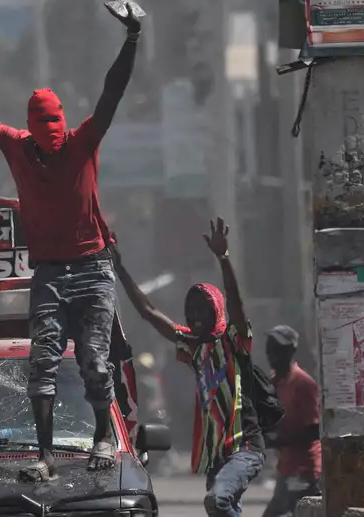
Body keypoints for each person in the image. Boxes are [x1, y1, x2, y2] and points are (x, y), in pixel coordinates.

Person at [0, 0, 140, 481]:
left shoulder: (81, 142)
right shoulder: (17, 146)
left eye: (55, 137)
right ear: (32, 133)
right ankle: (44, 457)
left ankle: (103, 435)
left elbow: (111, 93)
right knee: (41, 363)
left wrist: (132, 39)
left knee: (95, 364)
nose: (50, 146)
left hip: (92, 268)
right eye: (43, 139)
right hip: (49, 272)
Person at [111, 219, 265, 517]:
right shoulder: (193, 346)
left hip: (244, 448)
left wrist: (223, 259)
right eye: (191, 309)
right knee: (224, 507)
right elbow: (148, 312)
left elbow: (236, 303)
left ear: (216, 310)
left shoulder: (234, 340)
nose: (195, 315)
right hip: (218, 455)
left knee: (216, 502)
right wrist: (119, 268)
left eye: (202, 309)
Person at [262, 326, 321, 517]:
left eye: (278, 349)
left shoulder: (304, 384)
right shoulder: (273, 383)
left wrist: (278, 440)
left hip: (304, 469)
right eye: (269, 348)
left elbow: (314, 429)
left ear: (290, 351)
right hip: (286, 467)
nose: (272, 354)